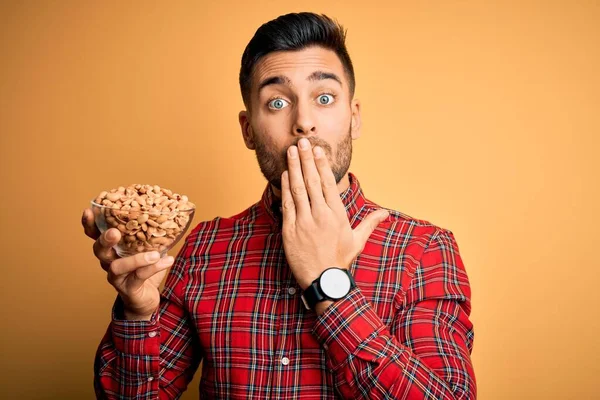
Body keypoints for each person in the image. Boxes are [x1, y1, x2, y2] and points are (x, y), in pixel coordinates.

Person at [82, 12, 476, 399]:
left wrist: (328, 283)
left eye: (324, 97)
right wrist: (138, 312)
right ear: (248, 130)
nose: (304, 122)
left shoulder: (423, 249)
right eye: (276, 103)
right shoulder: (204, 246)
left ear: (353, 119)